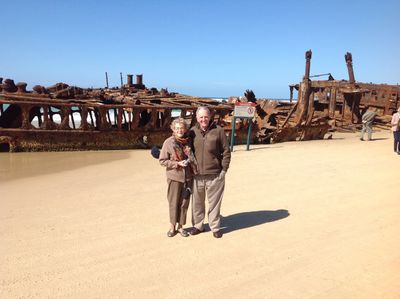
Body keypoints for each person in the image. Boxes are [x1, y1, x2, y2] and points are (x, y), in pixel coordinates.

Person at [189, 107, 231, 239]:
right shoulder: (192, 132)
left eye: (205, 117)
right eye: (201, 117)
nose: (203, 119)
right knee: (197, 203)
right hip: (197, 175)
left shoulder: (218, 131)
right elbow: (186, 150)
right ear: (197, 118)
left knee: (214, 203)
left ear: (210, 117)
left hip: (215, 174)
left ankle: (215, 227)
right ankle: (198, 226)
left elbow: (226, 152)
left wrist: (224, 170)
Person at [159, 118, 198, 237]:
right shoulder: (168, 142)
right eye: (177, 128)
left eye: (181, 128)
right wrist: (177, 164)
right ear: (173, 129)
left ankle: (181, 227)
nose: (179, 130)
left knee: (184, 203)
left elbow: (193, 156)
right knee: (173, 202)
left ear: (185, 129)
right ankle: (172, 227)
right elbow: (162, 160)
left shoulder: (189, 141)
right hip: (174, 177)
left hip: (188, 177)